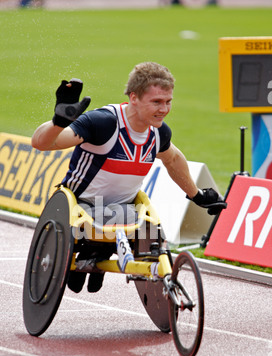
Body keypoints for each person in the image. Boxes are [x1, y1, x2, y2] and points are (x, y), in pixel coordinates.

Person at [32, 62, 226, 293]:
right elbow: (42, 143)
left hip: (123, 212)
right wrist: (58, 123)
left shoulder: (158, 132)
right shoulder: (103, 122)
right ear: (134, 97)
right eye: (156, 102)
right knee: (108, 231)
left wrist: (197, 194)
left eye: (168, 102)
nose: (164, 109)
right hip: (80, 209)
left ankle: (104, 254)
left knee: (149, 227)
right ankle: (92, 251)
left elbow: (173, 159)